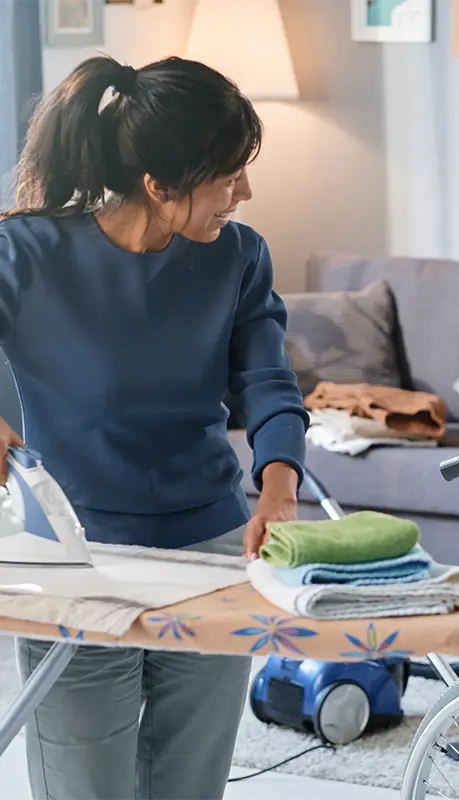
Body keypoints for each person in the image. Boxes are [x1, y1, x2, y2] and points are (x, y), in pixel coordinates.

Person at [0, 55, 308, 800]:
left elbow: (266, 380)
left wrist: (278, 484)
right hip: (74, 563)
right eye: (230, 174)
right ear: (160, 184)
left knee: (188, 787)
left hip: (210, 555)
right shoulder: (29, 251)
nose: (246, 192)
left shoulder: (239, 256)